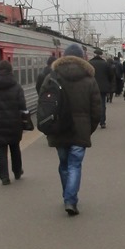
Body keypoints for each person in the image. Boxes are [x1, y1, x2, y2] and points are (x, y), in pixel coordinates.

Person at [41, 43, 102, 216]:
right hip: (80, 130)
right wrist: (89, 129)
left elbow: (44, 105)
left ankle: (67, 196)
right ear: (82, 59)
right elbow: (97, 109)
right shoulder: (89, 79)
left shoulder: (51, 77)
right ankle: (70, 200)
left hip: (59, 128)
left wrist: (48, 127)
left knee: (64, 164)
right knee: (75, 164)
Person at [0, 60, 28, 185]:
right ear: (10, 71)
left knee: (1, 150)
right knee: (15, 147)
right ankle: (17, 171)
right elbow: (22, 105)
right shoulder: (16, 86)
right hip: (14, 122)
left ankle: (4, 177)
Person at [88, 49, 113, 126]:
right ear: (101, 55)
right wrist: (108, 84)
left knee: (91, 104)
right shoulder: (105, 64)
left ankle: (92, 121)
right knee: (102, 104)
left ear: (94, 54)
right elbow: (111, 75)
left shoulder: (89, 63)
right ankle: (102, 122)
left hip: (91, 87)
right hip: (103, 88)